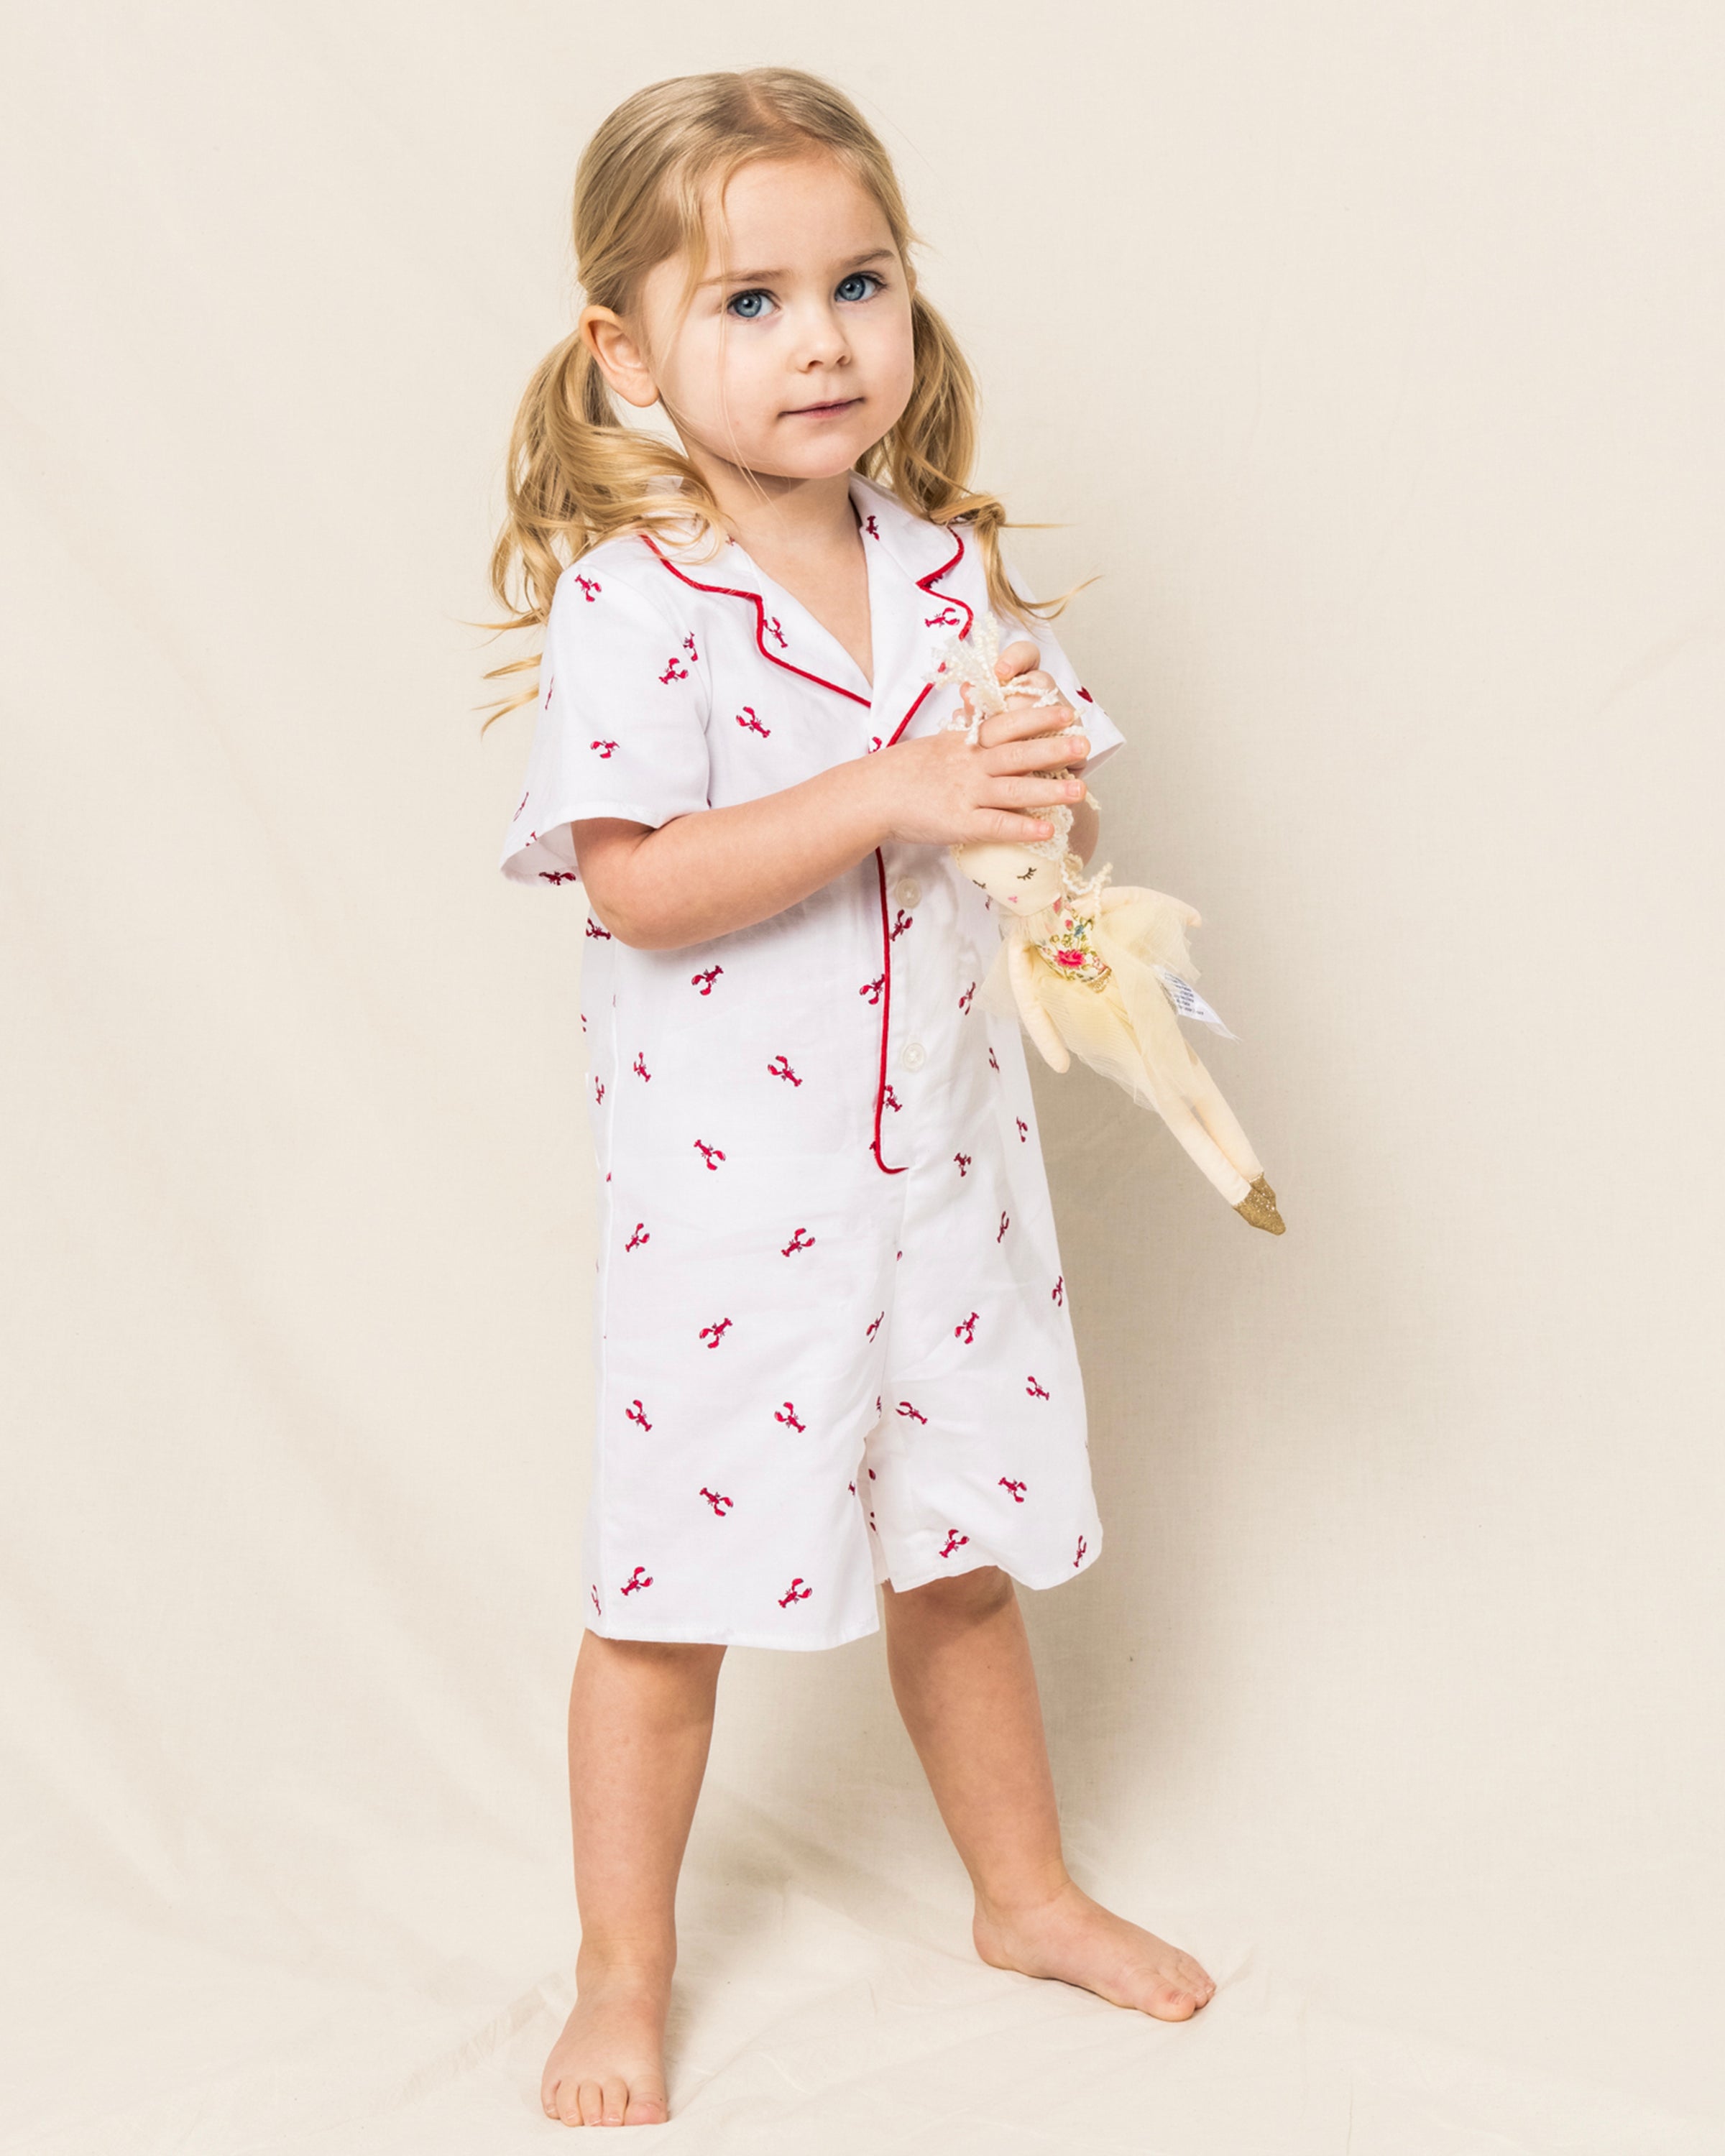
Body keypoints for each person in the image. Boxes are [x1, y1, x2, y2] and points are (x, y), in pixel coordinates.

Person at [485, 65, 1215, 2131]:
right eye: (750, 302)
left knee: (959, 1558)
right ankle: (621, 1967)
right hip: (743, 1208)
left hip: (952, 1181)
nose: (820, 340)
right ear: (625, 351)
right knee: (668, 1601)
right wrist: (888, 787)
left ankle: (1026, 1893)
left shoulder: (944, 569)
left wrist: (1026, 791)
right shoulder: (637, 609)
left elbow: (1034, 791)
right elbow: (633, 885)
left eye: (859, 285)